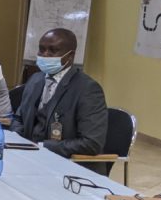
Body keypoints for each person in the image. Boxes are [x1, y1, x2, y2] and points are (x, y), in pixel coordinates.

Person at [10, 28, 107, 169]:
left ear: (70, 56)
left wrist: (43, 146)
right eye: (41, 50)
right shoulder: (36, 79)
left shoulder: (88, 89)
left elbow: (91, 143)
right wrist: (18, 139)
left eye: (53, 50)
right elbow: (19, 118)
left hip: (68, 165)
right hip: (29, 158)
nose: (45, 55)